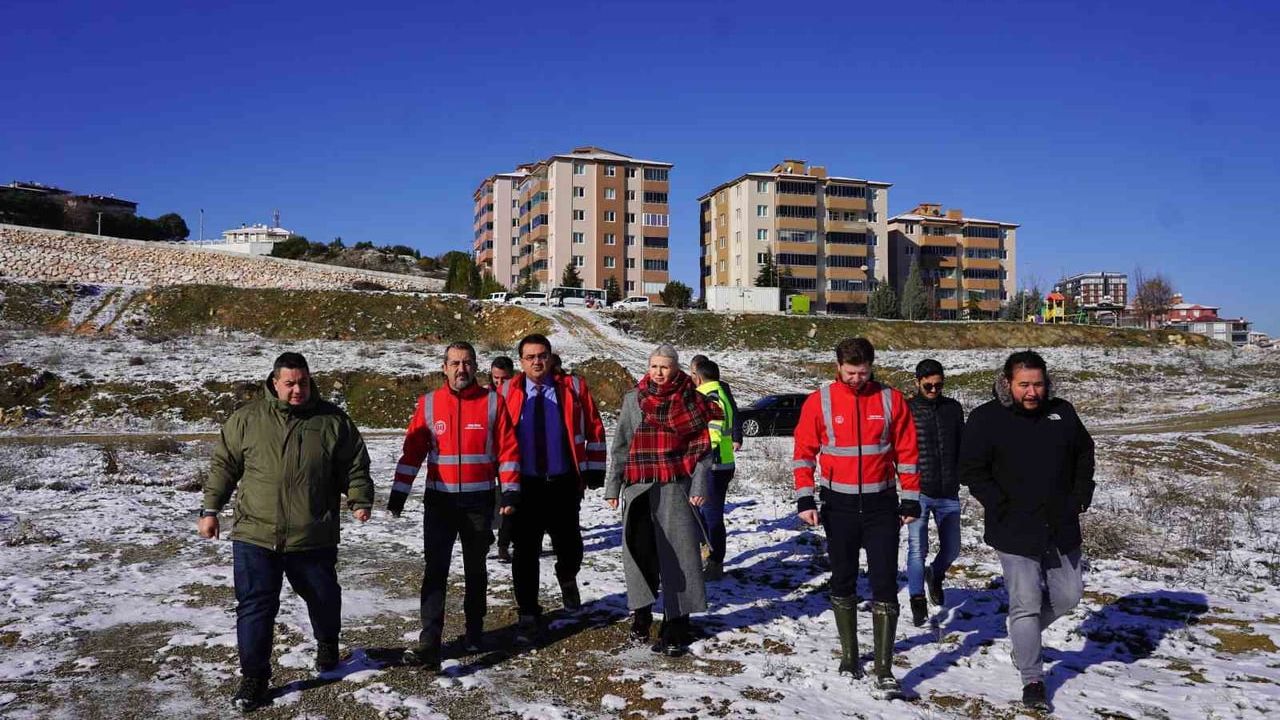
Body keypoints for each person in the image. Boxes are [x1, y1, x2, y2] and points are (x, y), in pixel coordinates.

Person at [199, 352, 372, 712]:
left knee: (323, 597)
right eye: (290, 383)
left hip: (312, 534)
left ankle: (327, 643)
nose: (297, 390)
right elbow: (224, 466)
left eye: (303, 382)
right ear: (274, 383)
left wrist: (359, 498)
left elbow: (354, 464)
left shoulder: (332, 420)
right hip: (255, 534)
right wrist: (210, 509)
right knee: (255, 607)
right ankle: (254, 678)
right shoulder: (247, 419)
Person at [959, 350, 1095, 712]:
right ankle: (1032, 678)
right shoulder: (986, 418)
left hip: (1060, 524)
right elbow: (971, 470)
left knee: (1069, 596)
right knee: (1026, 603)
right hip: (1014, 528)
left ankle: (1023, 638)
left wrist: (1080, 495)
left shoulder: (1062, 413)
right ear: (1007, 383)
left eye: (1038, 384)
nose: (1032, 392)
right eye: (1024, 385)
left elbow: (1085, 452)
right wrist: (998, 503)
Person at [793, 337, 920, 697]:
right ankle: (850, 656)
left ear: (871, 367)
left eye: (862, 373)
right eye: (850, 373)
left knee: (885, 582)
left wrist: (910, 500)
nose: (856, 379)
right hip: (839, 506)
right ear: (838, 366)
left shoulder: (891, 399)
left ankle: (884, 668)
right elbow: (803, 452)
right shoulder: (820, 401)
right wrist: (805, 497)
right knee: (843, 578)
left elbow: (908, 451)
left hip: (882, 506)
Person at [388, 341, 521, 671]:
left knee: (476, 570)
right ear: (444, 367)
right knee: (435, 570)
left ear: (475, 366)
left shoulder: (493, 402)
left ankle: (474, 632)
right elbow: (413, 452)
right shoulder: (429, 404)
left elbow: (508, 452)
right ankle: (430, 642)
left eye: (467, 363)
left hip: (478, 502)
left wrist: (510, 492)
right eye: (455, 363)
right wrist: (399, 492)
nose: (462, 369)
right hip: (440, 503)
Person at [605, 344, 720, 656]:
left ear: (675, 368)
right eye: (654, 366)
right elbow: (621, 445)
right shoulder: (634, 399)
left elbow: (703, 449)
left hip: (675, 489)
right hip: (639, 489)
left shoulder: (691, 400)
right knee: (639, 553)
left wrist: (699, 484)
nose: (658, 372)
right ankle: (641, 615)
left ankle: (676, 625)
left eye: (664, 367)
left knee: (678, 558)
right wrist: (613, 487)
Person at [499, 333, 607, 642]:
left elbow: (594, 427)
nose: (537, 362)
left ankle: (567, 576)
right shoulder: (506, 392)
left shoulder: (573, 388)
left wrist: (595, 469)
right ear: (521, 362)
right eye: (530, 357)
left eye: (542, 355)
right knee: (525, 551)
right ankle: (528, 611)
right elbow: (496, 437)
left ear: (550, 357)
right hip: (525, 485)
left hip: (563, 483)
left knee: (571, 547)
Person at [904, 358, 966, 627]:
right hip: (918, 491)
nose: (933, 390)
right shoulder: (907, 409)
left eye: (938, 385)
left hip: (949, 491)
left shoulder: (953, 408)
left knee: (952, 548)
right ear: (917, 382)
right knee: (917, 549)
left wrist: (963, 474)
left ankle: (935, 574)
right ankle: (916, 599)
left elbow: (963, 444)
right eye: (928, 385)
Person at [689, 358, 735, 580]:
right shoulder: (719, 392)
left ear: (698, 377)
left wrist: (698, 458)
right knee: (704, 514)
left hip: (713, 466)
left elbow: (713, 434)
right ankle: (708, 555)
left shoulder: (710, 396)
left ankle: (715, 562)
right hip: (720, 463)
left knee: (711, 516)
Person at [488, 356, 516, 562]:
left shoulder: (518, 395)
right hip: (487, 457)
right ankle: (486, 536)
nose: (499, 383)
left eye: (503, 379)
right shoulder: (485, 395)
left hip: (511, 455)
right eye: (495, 378)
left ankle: (503, 545)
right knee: (487, 500)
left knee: (510, 500)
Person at [690, 354, 743, 451]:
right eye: (693, 373)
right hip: (722, 451)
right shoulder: (690, 389)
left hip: (711, 452)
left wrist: (737, 438)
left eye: (696, 373)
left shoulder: (712, 394)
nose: (694, 377)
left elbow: (733, 413)